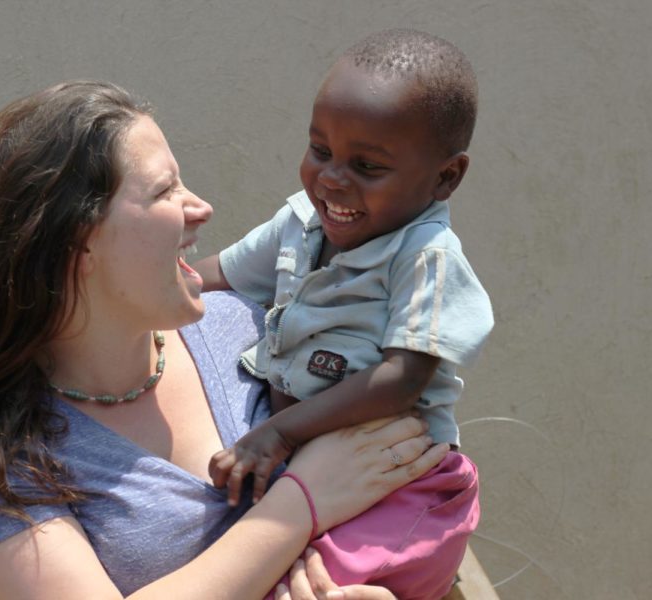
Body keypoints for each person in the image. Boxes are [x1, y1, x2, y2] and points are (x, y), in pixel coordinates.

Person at [0, 80, 454, 600]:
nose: (201, 208)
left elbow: (404, 476)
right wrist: (298, 504)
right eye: (165, 191)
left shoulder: (250, 328)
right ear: (77, 244)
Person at [196, 27, 493, 593]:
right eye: (321, 150)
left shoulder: (426, 259)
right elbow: (216, 276)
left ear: (445, 177)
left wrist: (278, 433)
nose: (331, 178)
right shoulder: (299, 223)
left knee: (307, 586)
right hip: (315, 471)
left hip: (400, 485)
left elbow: (401, 380)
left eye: (368, 167)